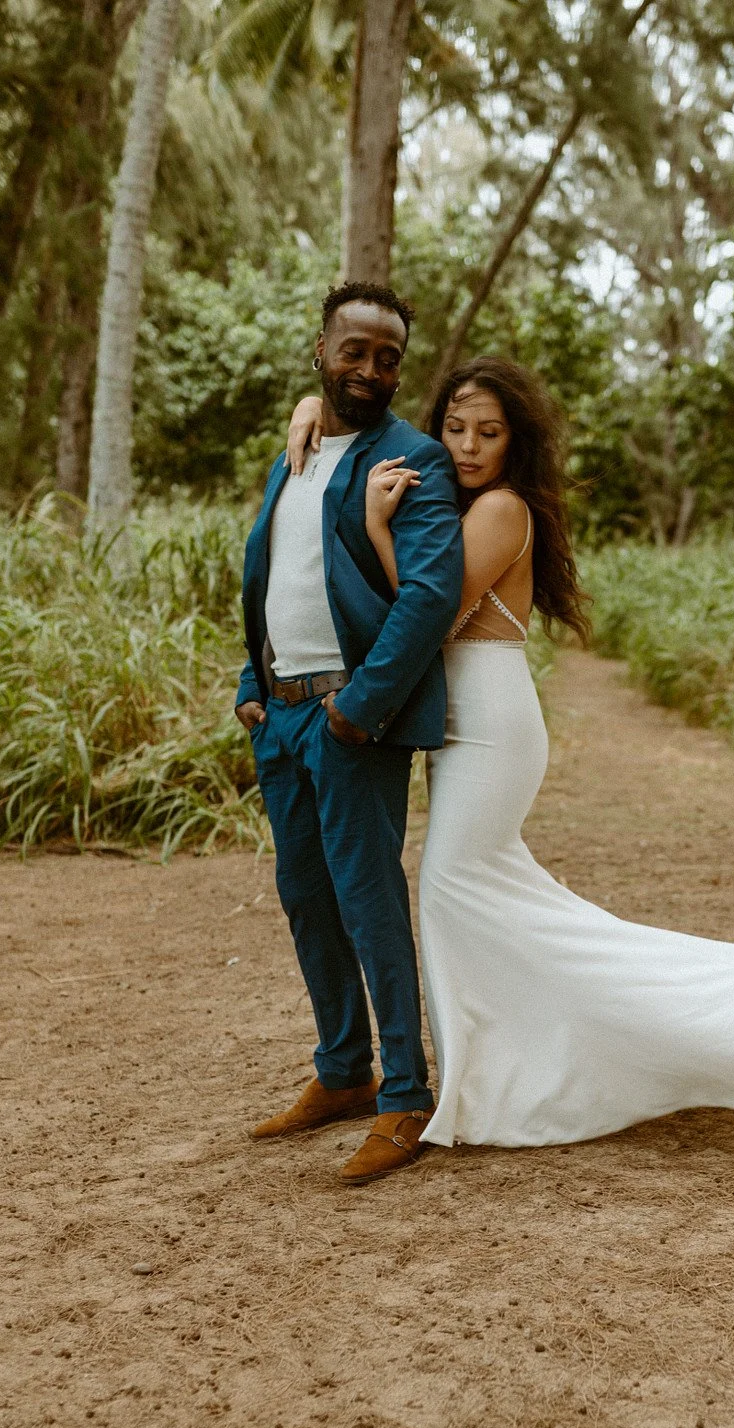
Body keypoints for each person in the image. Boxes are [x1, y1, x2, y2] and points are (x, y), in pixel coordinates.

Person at [284, 356, 734, 1148]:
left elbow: (429, 612)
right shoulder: (458, 504)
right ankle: (513, 1067)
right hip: (467, 729)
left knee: (452, 893)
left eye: (489, 432)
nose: (469, 446)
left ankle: (518, 1076)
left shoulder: (501, 510)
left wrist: (377, 527)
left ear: (517, 443)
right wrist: (313, 403)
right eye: (455, 429)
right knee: (484, 907)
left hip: (492, 730)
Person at [236, 282, 463, 1184]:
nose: (370, 368)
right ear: (321, 350)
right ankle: (344, 1074)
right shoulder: (292, 455)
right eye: (355, 349)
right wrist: (255, 680)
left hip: (348, 722)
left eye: (388, 356)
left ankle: (406, 1096)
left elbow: (429, 595)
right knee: (305, 897)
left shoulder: (417, 460)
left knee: (369, 903)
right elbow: (274, 573)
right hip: (280, 716)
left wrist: (358, 709)